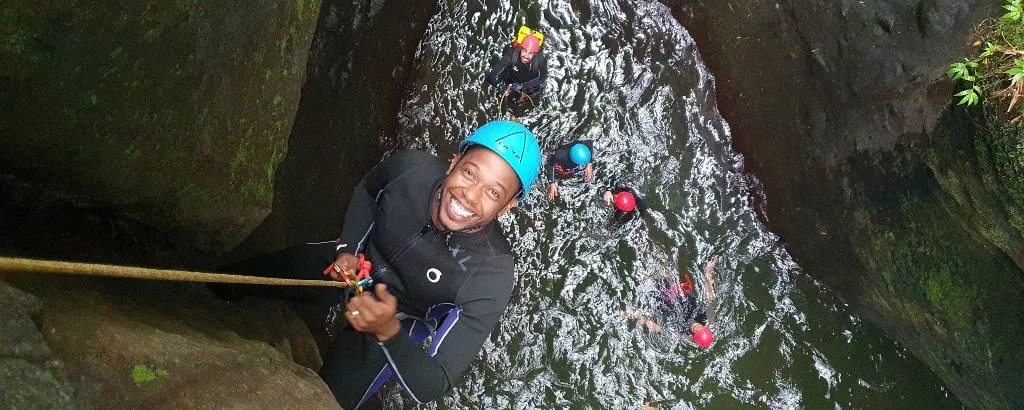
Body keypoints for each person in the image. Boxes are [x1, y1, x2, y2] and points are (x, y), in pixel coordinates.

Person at [215, 121, 541, 409]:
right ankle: (215, 289)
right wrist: (349, 249)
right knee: (244, 277)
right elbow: (369, 191)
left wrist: (388, 331)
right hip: (354, 264)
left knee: (327, 399)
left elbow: (433, 381)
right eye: (469, 173)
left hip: (398, 320)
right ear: (453, 162)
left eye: (493, 192)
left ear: (506, 207)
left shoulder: (490, 275)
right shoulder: (410, 169)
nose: (470, 196)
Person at [625, 255, 719, 348]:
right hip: (679, 294)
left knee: (645, 277)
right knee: (662, 267)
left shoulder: (684, 337)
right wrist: (709, 272)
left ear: (693, 337)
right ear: (705, 328)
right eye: (700, 327)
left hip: (663, 301)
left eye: (695, 330)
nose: (696, 326)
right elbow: (711, 297)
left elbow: (657, 328)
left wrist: (634, 314)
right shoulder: (707, 320)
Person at [484, 33, 548, 105]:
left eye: (530, 53)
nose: (526, 56)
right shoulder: (510, 56)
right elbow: (491, 77)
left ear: (535, 54)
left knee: (532, 95)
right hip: (511, 79)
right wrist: (502, 87)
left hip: (528, 82)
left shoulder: (541, 60)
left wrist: (522, 86)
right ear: (520, 49)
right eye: (524, 51)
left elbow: (542, 78)